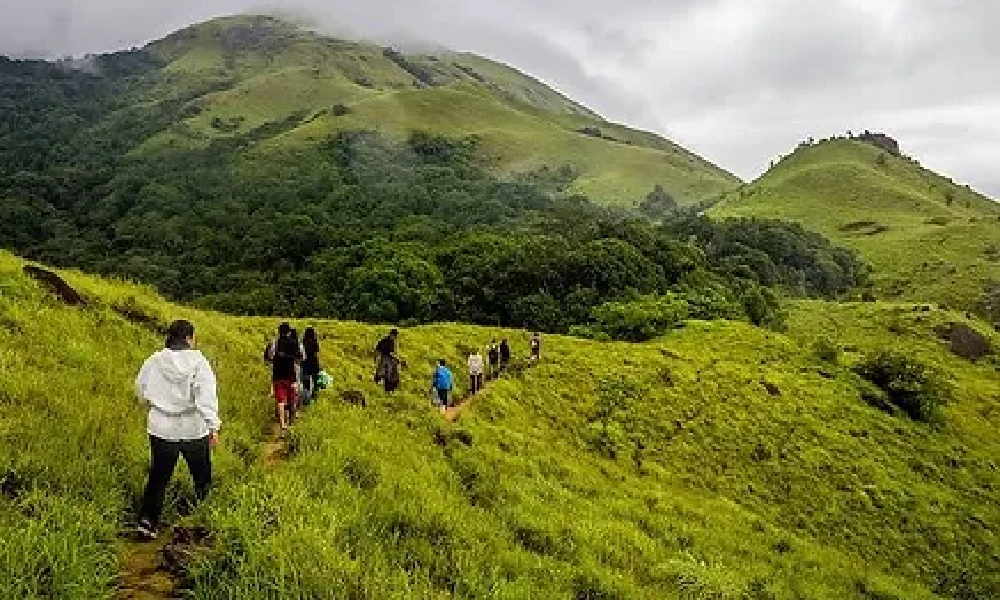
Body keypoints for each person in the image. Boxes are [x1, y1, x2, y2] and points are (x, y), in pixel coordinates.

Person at [134, 320, 220, 541]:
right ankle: (205, 519)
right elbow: (206, 396)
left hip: (161, 428)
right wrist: (213, 426)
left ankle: (148, 521)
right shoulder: (199, 362)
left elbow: (140, 390)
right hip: (193, 428)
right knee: (202, 476)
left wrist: (157, 403)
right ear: (190, 338)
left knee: (159, 476)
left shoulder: (154, 360)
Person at [266, 322, 303, 433]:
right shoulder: (294, 343)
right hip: (291, 375)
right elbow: (300, 357)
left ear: (279, 331)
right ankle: (291, 422)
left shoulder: (275, 342)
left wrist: (278, 359)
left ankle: (282, 424)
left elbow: (269, 357)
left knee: (280, 400)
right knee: (292, 398)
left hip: (277, 375)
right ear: (288, 332)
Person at [374, 329, 400, 393]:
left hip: (385, 358)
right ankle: (387, 388)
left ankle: (384, 387)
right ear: (392, 335)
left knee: (383, 372)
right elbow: (388, 352)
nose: (395, 338)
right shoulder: (388, 341)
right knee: (388, 374)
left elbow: (377, 349)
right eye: (395, 336)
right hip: (386, 358)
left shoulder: (385, 340)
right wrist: (396, 358)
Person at [300, 327, 321, 405]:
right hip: (314, 363)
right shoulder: (315, 342)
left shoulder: (303, 342)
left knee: (306, 382)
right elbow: (316, 352)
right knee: (315, 381)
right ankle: (314, 396)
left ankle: (306, 398)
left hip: (305, 364)